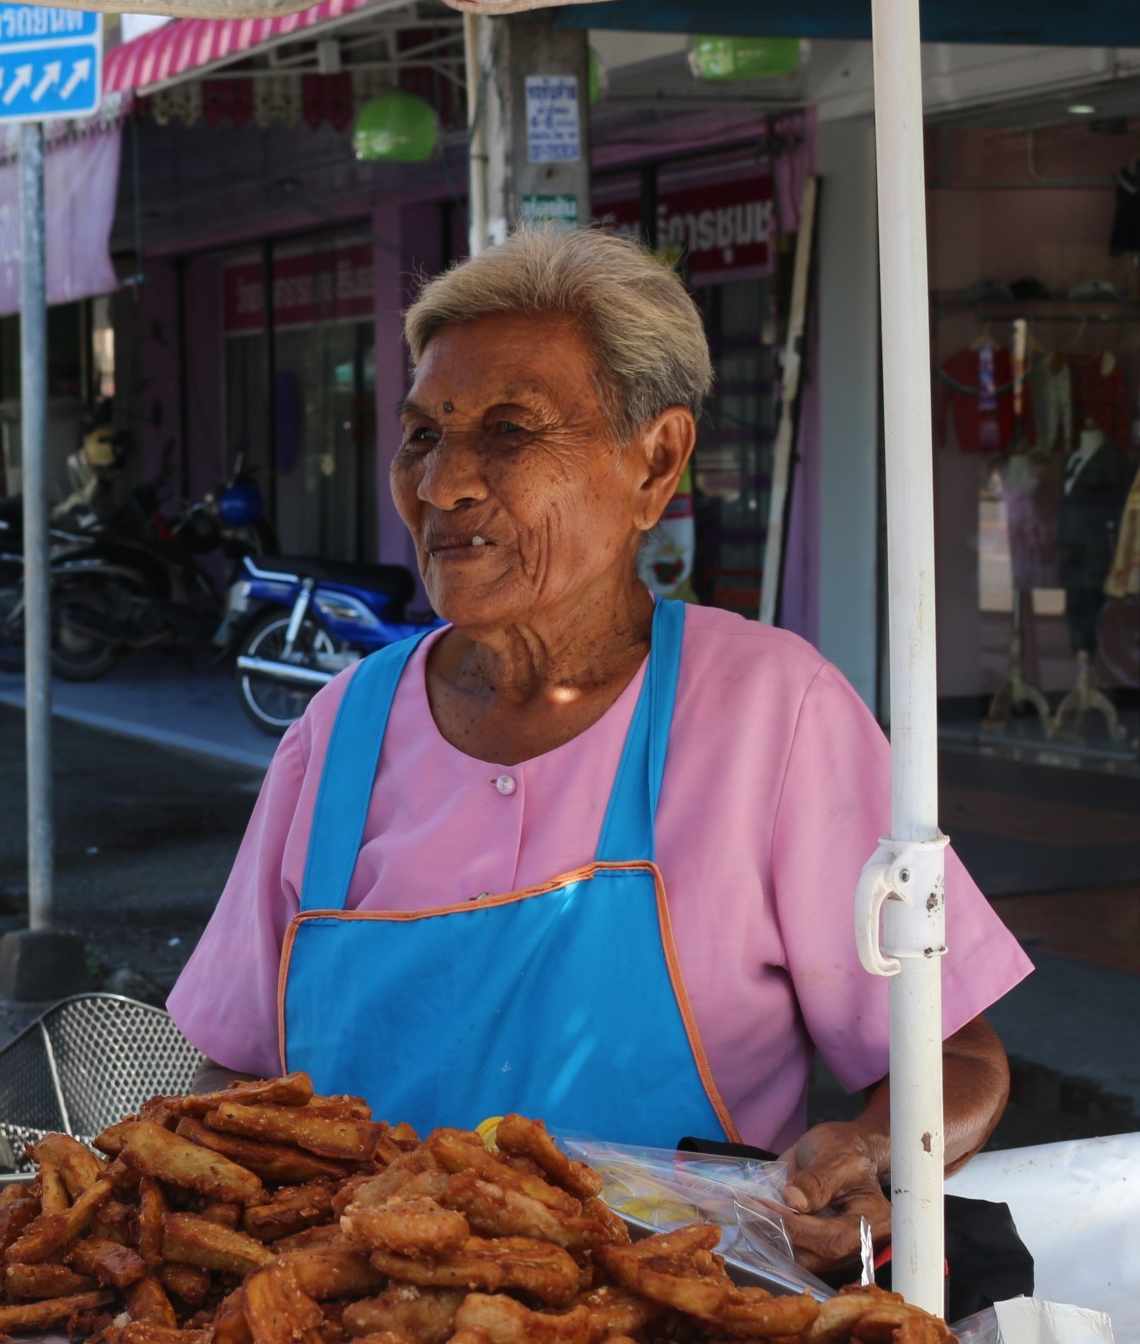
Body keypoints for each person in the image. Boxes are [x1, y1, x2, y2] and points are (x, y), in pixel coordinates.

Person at [168, 227, 1030, 1274]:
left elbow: (954, 1052)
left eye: (509, 431)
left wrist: (874, 1152)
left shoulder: (774, 711)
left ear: (654, 462)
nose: (442, 485)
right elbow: (228, 1079)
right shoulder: (339, 731)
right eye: (422, 434)